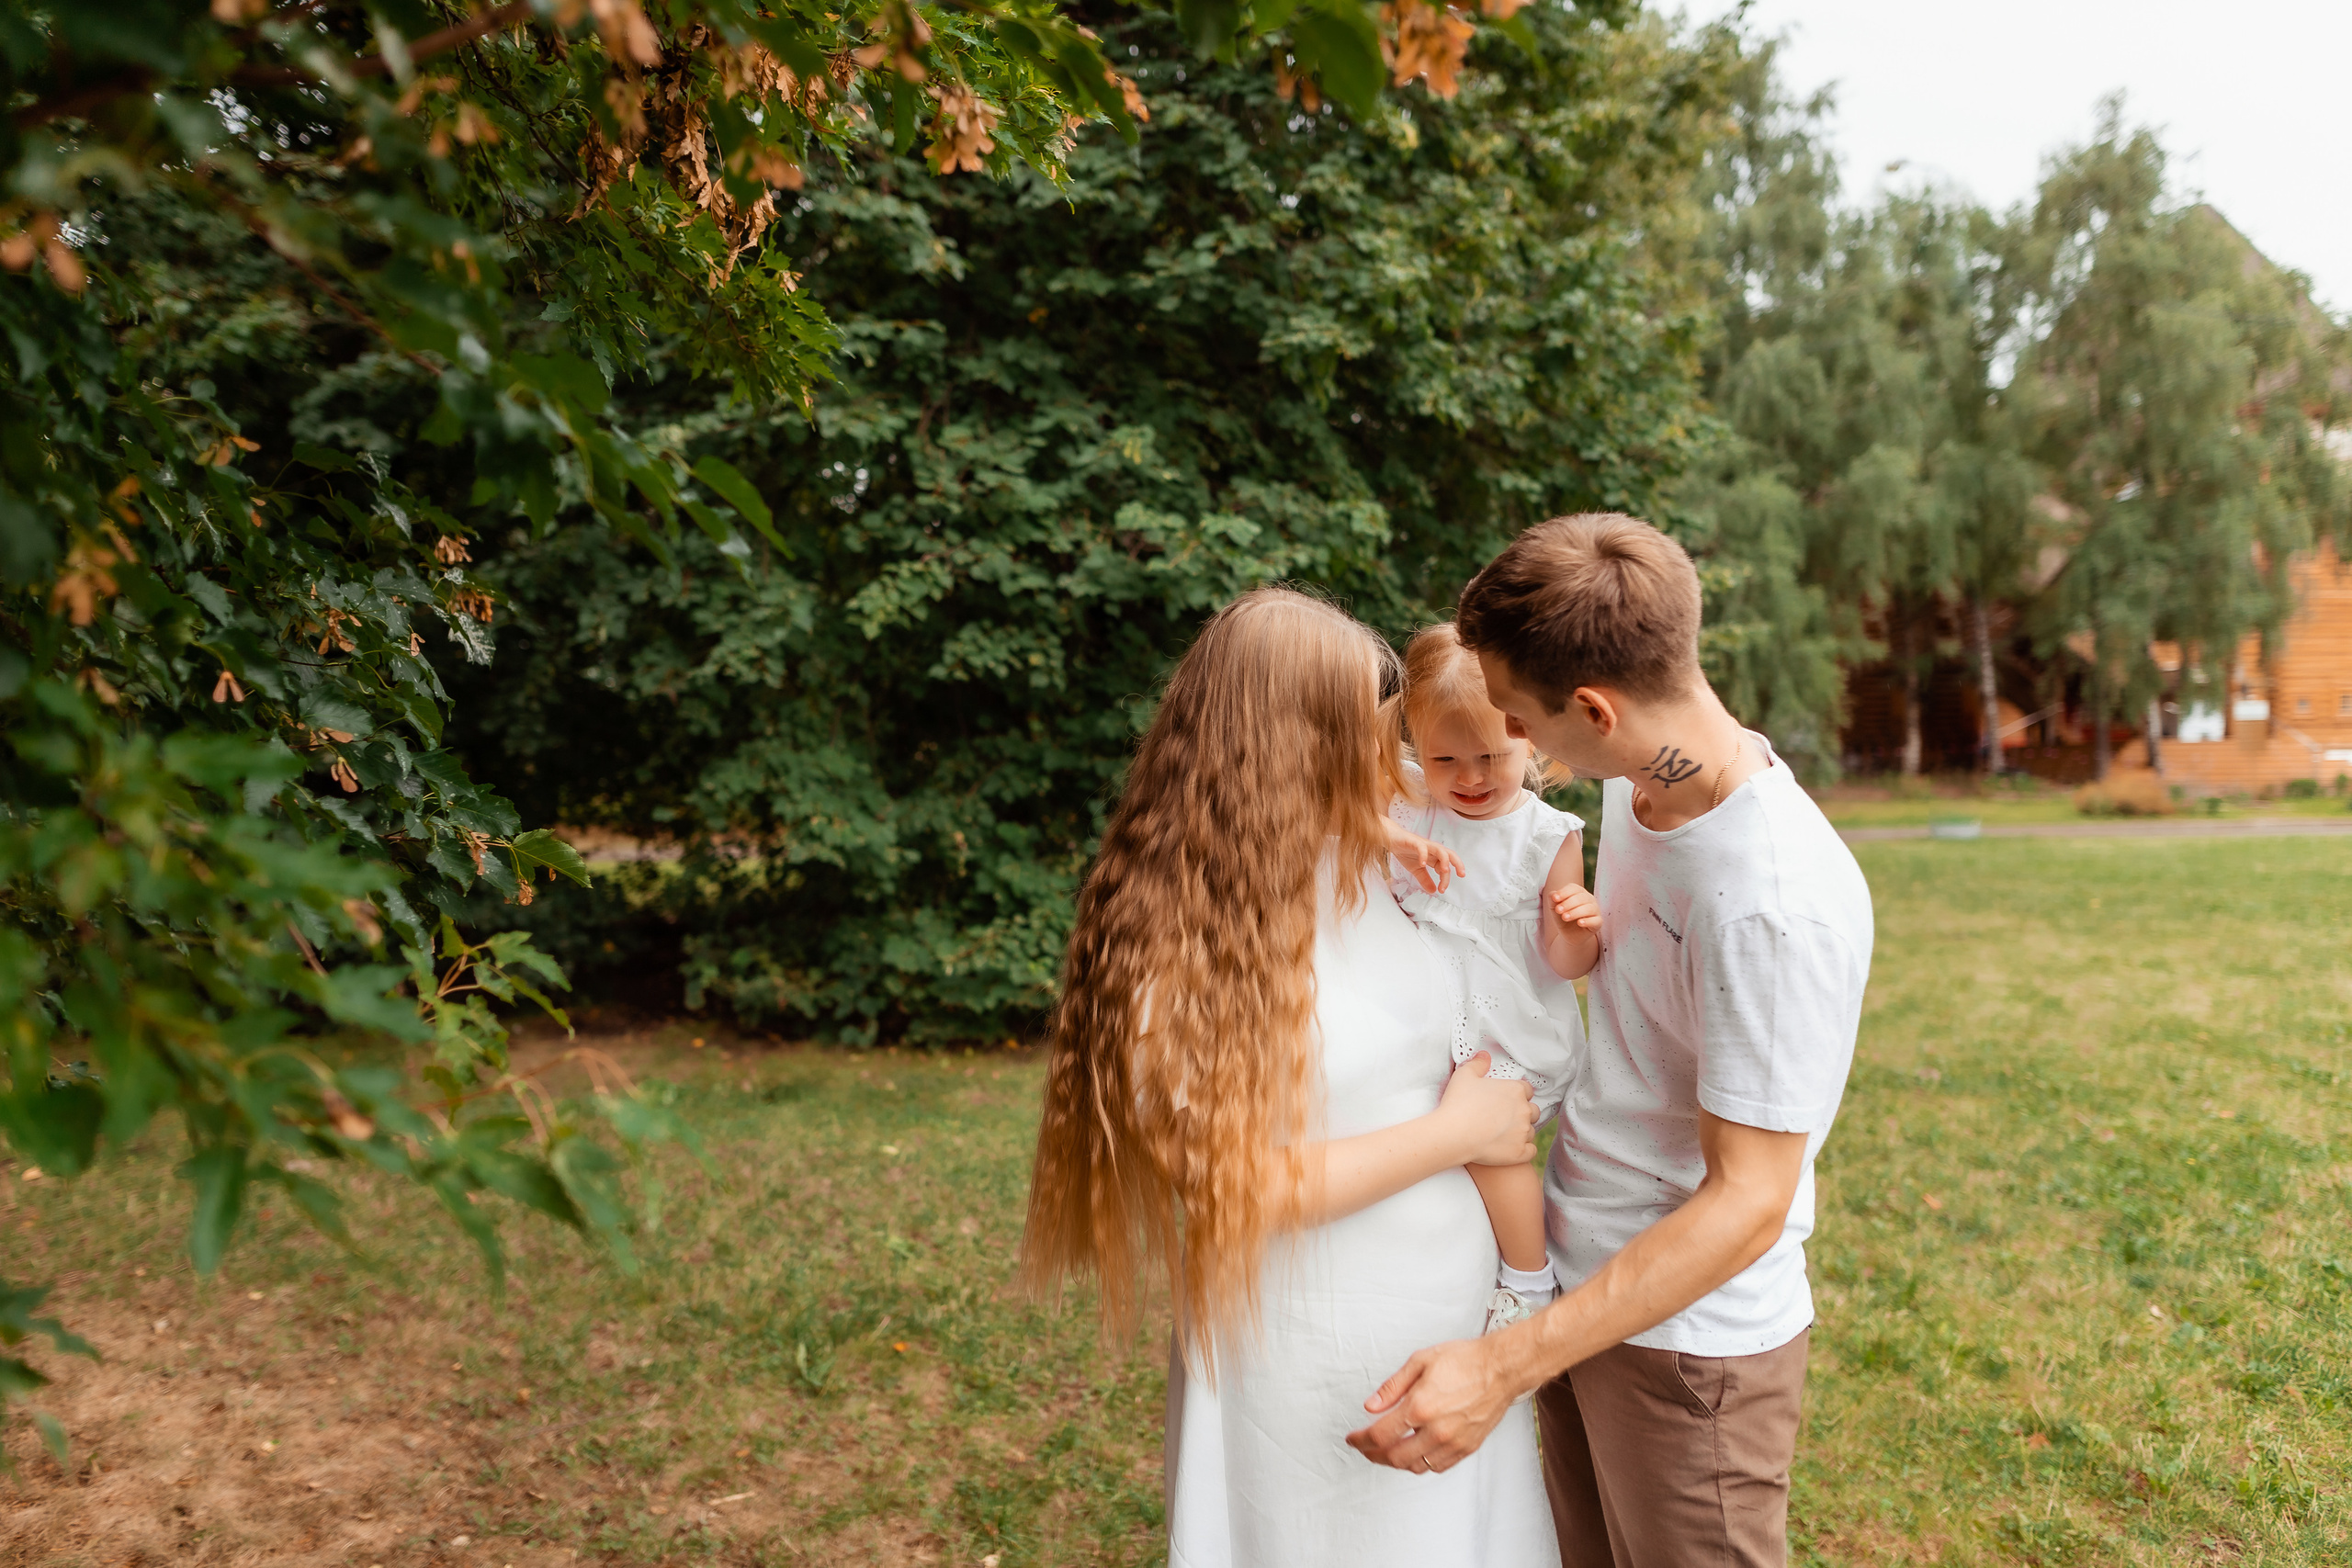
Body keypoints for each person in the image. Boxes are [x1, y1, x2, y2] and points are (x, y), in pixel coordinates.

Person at [1345, 514, 1875, 1568]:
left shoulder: (1772, 903)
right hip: (1588, 1297)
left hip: (1689, 1356)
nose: (1510, 738)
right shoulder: (1641, 789)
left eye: (1517, 716)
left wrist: (1503, 1363)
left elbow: (1749, 1202)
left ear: (1591, 708)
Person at [1020, 586, 1559, 1568]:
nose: (1385, 751)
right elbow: (1236, 1187)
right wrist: (1458, 1135)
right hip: (1315, 1345)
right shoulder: (1170, 944)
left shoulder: (1369, 856)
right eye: (1363, 726)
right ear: (1289, 740)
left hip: (1448, 1329)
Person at [1381, 623, 1601, 1333]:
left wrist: (1576, 925)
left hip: (1507, 1025)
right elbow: (1317, 796)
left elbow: (1568, 968)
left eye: (1492, 756)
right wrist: (1389, 836)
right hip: (1421, 1011)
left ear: (1529, 739)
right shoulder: (1409, 803)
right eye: (1446, 758)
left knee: (1492, 1143)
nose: (1470, 777)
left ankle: (1528, 1277)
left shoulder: (1547, 833)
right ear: (1416, 745)